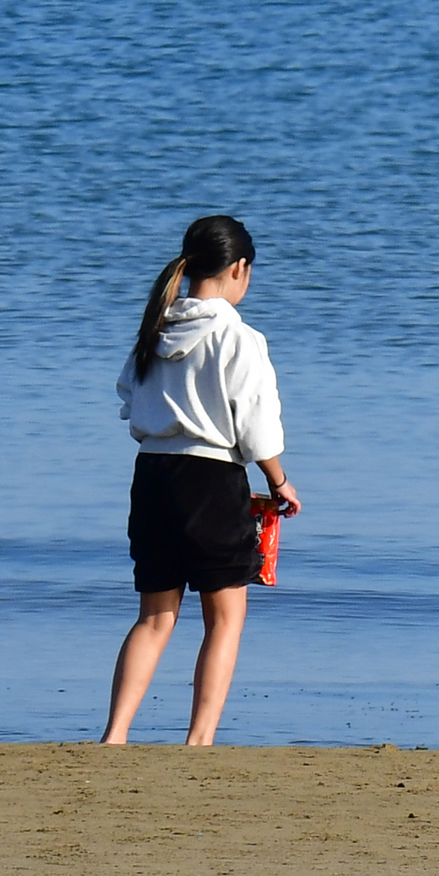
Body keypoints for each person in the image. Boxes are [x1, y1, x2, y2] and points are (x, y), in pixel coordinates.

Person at [102, 215, 300, 746]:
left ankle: (115, 735)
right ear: (239, 269)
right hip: (212, 477)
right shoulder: (239, 337)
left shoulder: (155, 328)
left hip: (152, 474)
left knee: (154, 617)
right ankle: (199, 741)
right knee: (225, 617)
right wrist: (279, 481)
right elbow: (257, 425)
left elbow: (128, 396)